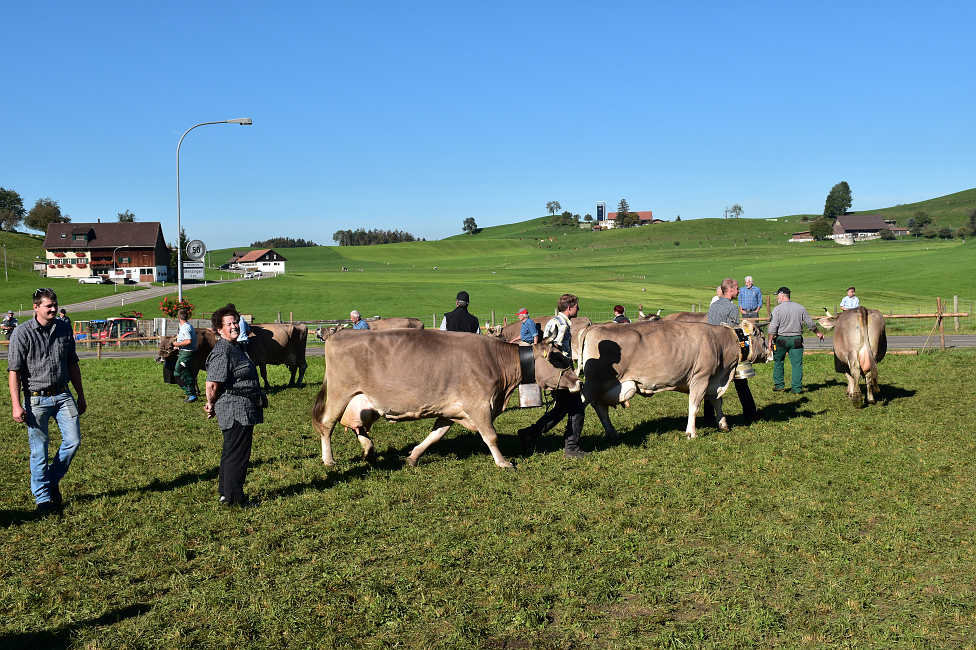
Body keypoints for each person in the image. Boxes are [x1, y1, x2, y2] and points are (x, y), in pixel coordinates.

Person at [7, 288, 87, 514]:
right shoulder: (21, 333)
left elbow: (72, 363)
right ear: (36, 307)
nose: (53, 309)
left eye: (54, 304)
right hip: (36, 399)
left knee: (73, 441)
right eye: (48, 306)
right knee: (39, 450)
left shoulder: (63, 328)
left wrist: (80, 394)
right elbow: (14, 371)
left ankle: (50, 481)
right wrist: (16, 405)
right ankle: (43, 500)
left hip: (63, 394)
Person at [204, 306, 263, 509]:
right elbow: (212, 382)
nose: (233, 326)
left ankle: (225, 492)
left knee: (231, 451)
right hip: (234, 408)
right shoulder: (223, 350)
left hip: (243, 407)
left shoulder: (236, 347)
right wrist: (210, 403)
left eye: (235, 322)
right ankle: (235, 497)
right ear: (219, 330)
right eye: (228, 324)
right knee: (238, 454)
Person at [517, 294, 587, 459]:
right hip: (562, 375)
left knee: (561, 409)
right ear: (569, 308)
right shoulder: (561, 325)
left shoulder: (554, 321)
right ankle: (572, 448)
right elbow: (553, 350)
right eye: (577, 306)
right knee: (577, 411)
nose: (578, 309)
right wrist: (564, 373)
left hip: (559, 374)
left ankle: (529, 434)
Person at [703, 278, 761, 425]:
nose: (739, 291)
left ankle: (708, 417)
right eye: (737, 289)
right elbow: (734, 332)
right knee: (741, 382)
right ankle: (750, 413)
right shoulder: (732, 308)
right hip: (728, 350)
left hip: (712, 350)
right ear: (730, 289)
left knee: (710, 383)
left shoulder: (713, 306)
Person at [767, 287, 824, 394]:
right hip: (797, 340)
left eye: (778, 295)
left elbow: (773, 327)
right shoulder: (800, 308)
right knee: (797, 364)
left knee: (779, 361)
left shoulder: (777, 309)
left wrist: (770, 340)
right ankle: (797, 389)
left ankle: (779, 386)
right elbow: (810, 323)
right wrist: (817, 333)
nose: (777, 297)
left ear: (782, 296)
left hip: (781, 340)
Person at [173, 308, 197, 402]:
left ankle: (190, 394)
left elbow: (188, 341)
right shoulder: (189, 326)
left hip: (186, 353)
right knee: (188, 373)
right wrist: (178, 347)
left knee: (178, 373)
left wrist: (176, 344)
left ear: (178, 318)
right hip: (187, 352)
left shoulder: (185, 328)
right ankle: (192, 394)